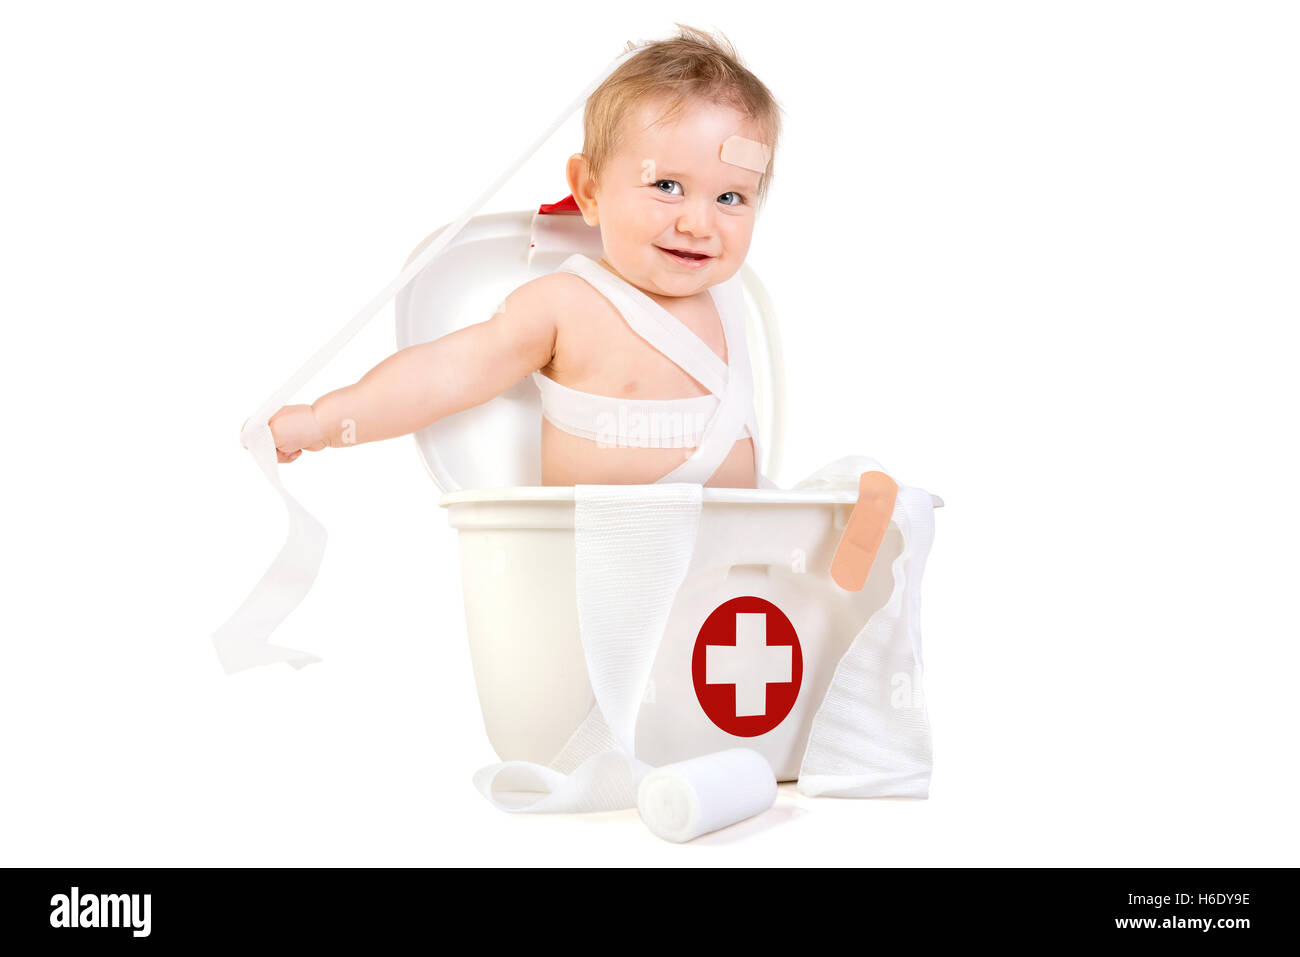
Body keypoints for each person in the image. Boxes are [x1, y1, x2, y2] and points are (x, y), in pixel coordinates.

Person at [259, 25, 782, 488]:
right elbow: (445, 373)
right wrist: (325, 421)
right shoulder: (565, 305)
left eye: (730, 198)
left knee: (852, 491)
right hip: (594, 569)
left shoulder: (731, 299)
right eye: (667, 186)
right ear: (590, 190)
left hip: (732, 577)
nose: (699, 224)